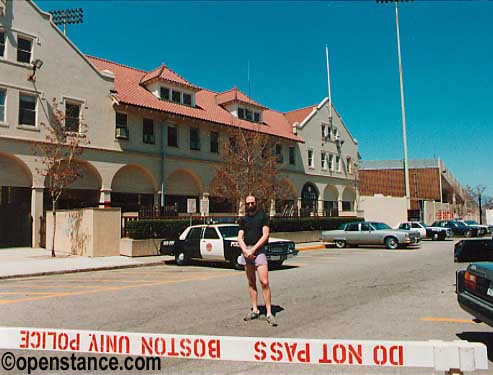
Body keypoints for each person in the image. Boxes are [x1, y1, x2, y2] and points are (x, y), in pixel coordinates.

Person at [238, 194, 277, 326]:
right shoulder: (243, 219)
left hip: (258, 251)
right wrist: (245, 251)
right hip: (247, 253)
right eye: (248, 203)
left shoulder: (263, 217)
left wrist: (253, 250)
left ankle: (269, 313)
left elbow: (265, 235)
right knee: (251, 282)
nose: (250, 205)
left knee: (264, 282)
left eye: (252, 203)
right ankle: (254, 310)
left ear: (256, 203)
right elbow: (240, 237)